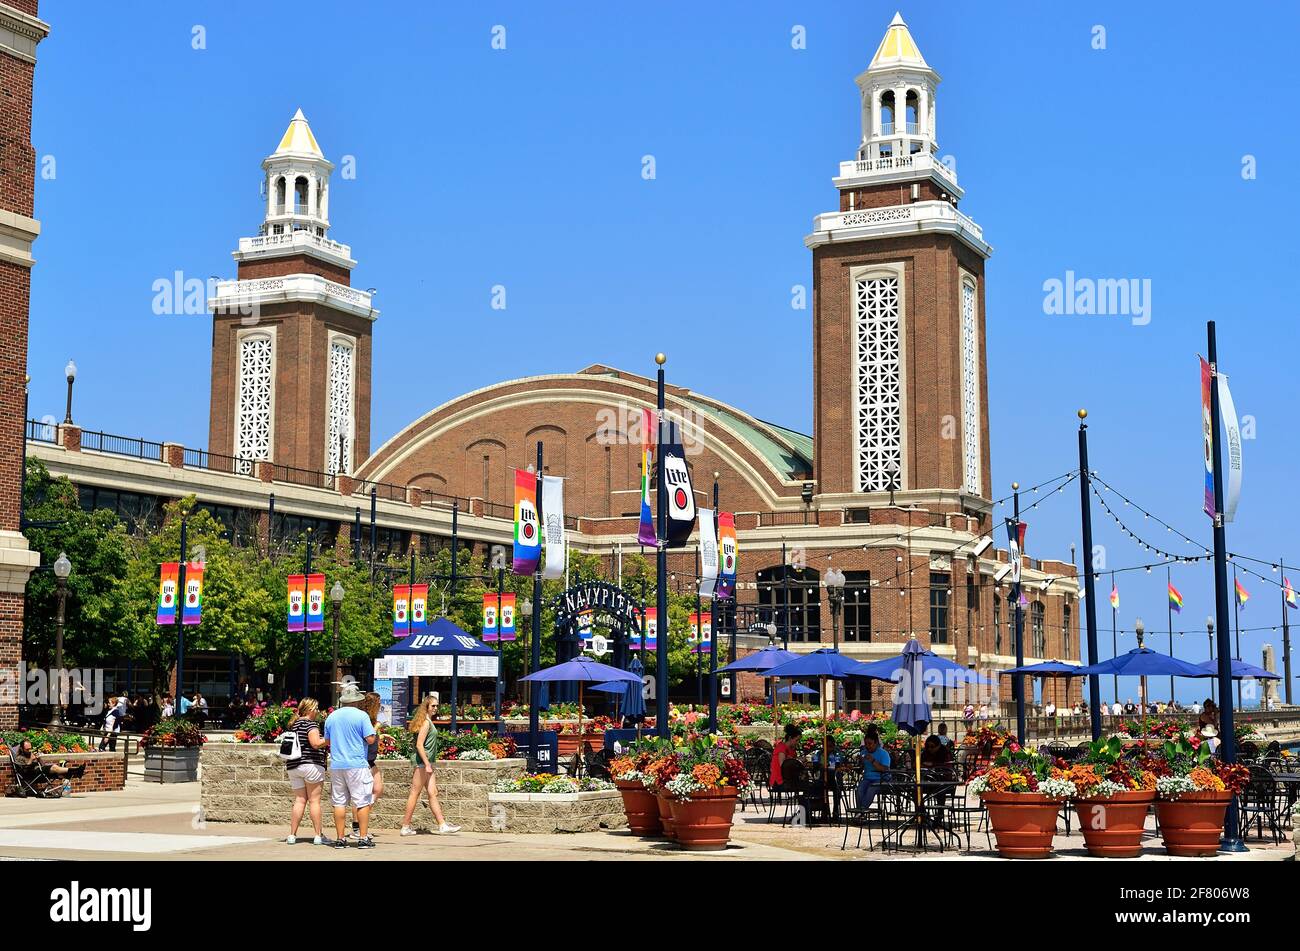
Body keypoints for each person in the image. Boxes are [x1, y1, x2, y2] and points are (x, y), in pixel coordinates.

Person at [323, 684, 379, 848]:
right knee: (362, 802)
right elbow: (370, 739)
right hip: (357, 764)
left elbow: (327, 740)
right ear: (356, 700)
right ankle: (362, 838)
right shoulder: (361, 716)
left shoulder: (331, 717)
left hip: (337, 764)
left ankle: (340, 839)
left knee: (339, 802)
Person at [400, 694, 459, 836]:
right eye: (433, 706)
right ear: (426, 707)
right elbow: (419, 745)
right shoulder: (426, 723)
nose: (435, 708)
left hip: (428, 763)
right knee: (415, 793)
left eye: (437, 706)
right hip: (423, 762)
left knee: (433, 793)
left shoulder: (427, 721)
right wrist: (426, 764)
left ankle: (442, 825)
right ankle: (405, 826)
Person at [285, 698, 330, 845]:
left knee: (299, 800)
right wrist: (329, 740)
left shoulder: (294, 724)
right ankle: (318, 835)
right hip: (311, 765)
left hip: (294, 766)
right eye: (316, 708)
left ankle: (292, 835)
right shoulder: (311, 725)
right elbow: (316, 744)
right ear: (310, 710)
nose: (317, 711)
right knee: (314, 801)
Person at [348, 691, 387, 839]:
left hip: (370, 759)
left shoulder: (370, 718)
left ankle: (360, 819)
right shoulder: (365, 718)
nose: (380, 706)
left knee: (377, 789)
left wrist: (381, 736)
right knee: (361, 795)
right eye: (379, 703)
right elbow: (365, 738)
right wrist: (376, 729)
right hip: (363, 760)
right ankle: (357, 827)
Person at [14, 739, 85, 790]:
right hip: (31, 775)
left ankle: (77, 772)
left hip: (40, 772)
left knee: (59, 773)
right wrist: (31, 760)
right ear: (22, 749)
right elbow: (24, 771)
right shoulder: (19, 758)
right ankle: (77, 771)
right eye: (27, 749)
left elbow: (43, 765)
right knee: (54, 767)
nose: (29, 751)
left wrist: (39, 759)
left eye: (30, 749)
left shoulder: (30, 754)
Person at [855, 725, 891, 811]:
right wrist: (860, 762)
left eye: (870, 744)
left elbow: (885, 769)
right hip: (867, 778)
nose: (867, 746)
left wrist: (873, 761)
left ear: (876, 743)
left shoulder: (883, 753)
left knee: (871, 790)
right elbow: (861, 768)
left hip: (881, 780)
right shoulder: (864, 752)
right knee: (859, 789)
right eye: (866, 744)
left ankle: (861, 811)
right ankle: (861, 812)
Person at [769, 724, 801, 791]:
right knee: (810, 785)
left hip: (787, 780)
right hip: (779, 782)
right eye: (796, 740)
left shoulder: (791, 749)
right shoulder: (781, 748)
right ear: (790, 738)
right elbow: (784, 766)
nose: (798, 743)